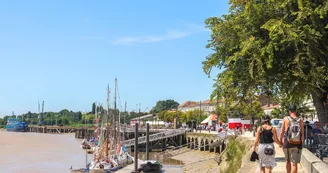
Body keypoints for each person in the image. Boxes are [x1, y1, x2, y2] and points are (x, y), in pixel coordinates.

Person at [279, 105, 304, 173]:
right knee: (294, 163)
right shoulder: (300, 120)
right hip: (297, 144)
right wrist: (302, 143)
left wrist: (280, 142)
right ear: (296, 111)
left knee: (288, 161)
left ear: (289, 111)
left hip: (287, 143)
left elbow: (281, 132)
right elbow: (303, 134)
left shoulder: (285, 119)